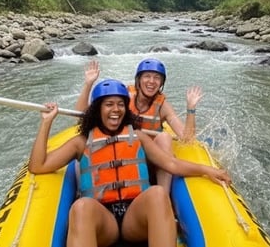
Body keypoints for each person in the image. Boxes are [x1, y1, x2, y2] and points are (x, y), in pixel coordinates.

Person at [30, 79, 230, 247]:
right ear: (97, 109)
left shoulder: (139, 137)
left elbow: (172, 165)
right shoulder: (80, 143)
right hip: (103, 221)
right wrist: (46, 123)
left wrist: (207, 170)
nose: (115, 109)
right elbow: (38, 166)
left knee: (158, 194)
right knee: (81, 207)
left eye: (120, 104)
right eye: (109, 104)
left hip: (134, 217)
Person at [74, 58, 202, 193]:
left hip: (150, 158)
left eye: (157, 78)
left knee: (164, 137)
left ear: (161, 83)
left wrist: (191, 109)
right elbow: (82, 117)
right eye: (147, 76)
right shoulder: (123, 99)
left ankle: (164, 195)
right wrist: (88, 84)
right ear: (138, 80)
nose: (152, 81)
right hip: (121, 153)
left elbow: (187, 138)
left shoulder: (163, 106)